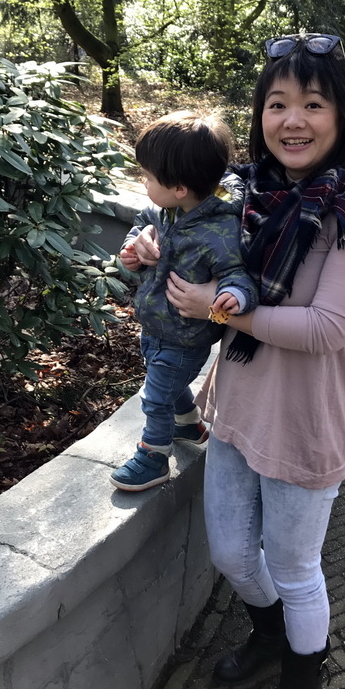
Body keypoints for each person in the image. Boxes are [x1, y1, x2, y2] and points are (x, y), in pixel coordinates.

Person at [130, 33, 345, 689]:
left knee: (295, 567)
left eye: (313, 103)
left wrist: (218, 308)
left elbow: (328, 327)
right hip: (236, 402)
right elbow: (179, 220)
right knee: (231, 557)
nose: (293, 119)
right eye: (278, 103)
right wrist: (154, 246)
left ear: (342, 115)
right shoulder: (254, 196)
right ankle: (270, 634)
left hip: (305, 418)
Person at [112, 111, 259, 493]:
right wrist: (131, 248)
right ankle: (190, 424)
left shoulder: (218, 232)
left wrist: (231, 297)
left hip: (185, 337)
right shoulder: (165, 209)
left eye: (146, 177)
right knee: (168, 385)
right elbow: (140, 223)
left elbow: (238, 275)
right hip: (156, 326)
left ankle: (153, 456)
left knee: (155, 395)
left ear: (178, 187)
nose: (143, 183)